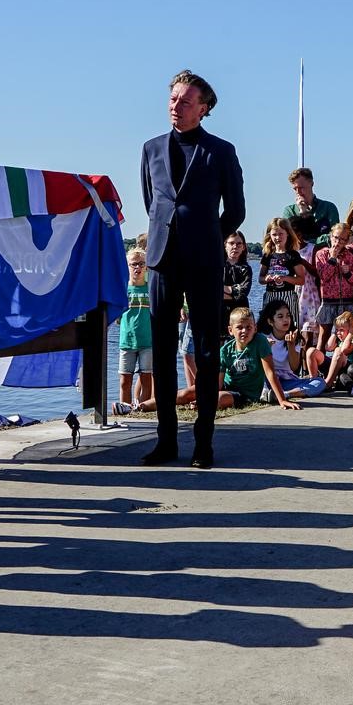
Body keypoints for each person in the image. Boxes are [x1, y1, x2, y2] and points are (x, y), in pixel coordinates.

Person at [141, 71, 246, 470]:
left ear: (203, 109)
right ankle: (165, 441)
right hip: (162, 261)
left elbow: (235, 210)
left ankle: (204, 442)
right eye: (172, 99)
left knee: (204, 351)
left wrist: (204, 236)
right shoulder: (150, 148)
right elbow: (153, 202)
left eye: (185, 101)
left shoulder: (221, 151)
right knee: (163, 352)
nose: (176, 106)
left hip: (204, 261)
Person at [115, 248, 154, 414]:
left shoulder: (150, 288)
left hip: (148, 341)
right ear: (127, 267)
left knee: (146, 378)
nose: (137, 268)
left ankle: (143, 408)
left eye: (141, 264)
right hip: (127, 342)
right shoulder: (122, 289)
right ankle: (125, 408)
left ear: (146, 267)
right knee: (125, 380)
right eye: (133, 264)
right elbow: (116, 317)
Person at [282, 166, 339, 250]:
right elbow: (290, 237)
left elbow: (335, 235)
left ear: (311, 183)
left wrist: (309, 242)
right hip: (299, 257)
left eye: (301, 188)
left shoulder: (329, 208)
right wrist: (302, 214)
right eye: (295, 189)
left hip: (324, 255)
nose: (298, 192)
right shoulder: (289, 211)